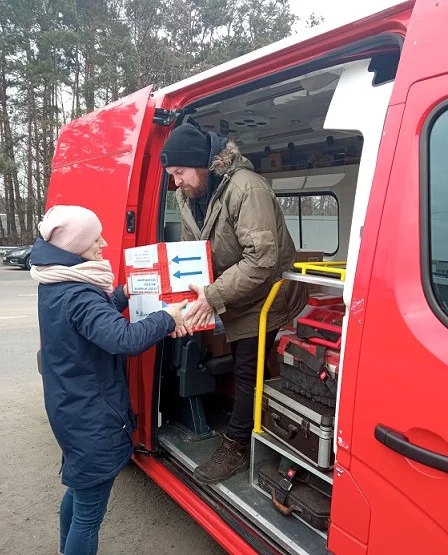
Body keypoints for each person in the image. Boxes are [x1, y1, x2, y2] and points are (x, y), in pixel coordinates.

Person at [30, 205, 190, 555]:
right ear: (75, 246)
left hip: (70, 406)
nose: (103, 243)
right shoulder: (78, 293)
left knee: (78, 489)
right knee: (88, 513)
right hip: (91, 416)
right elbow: (124, 340)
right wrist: (167, 317)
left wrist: (120, 295)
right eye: (94, 239)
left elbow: (88, 321)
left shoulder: (56, 281)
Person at [160, 123, 308, 484]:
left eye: (179, 173)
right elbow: (190, 249)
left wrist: (211, 296)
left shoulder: (246, 188)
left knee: (247, 366)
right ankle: (270, 413)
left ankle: (237, 444)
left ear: (199, 164)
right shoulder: (190, 194)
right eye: (172, 176)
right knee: (243, 365)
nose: (175, 183)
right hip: (231, 287)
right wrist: (181, 296)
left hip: (268, 292)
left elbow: (262, 260)